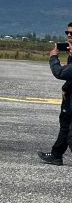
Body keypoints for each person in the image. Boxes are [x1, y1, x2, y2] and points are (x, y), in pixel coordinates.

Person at [37, 23, 72, 166]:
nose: (69, 35)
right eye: (68, 32)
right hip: (69, 97)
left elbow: (61, 73)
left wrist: (53, 58)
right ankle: (56, 155)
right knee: (65, 125)